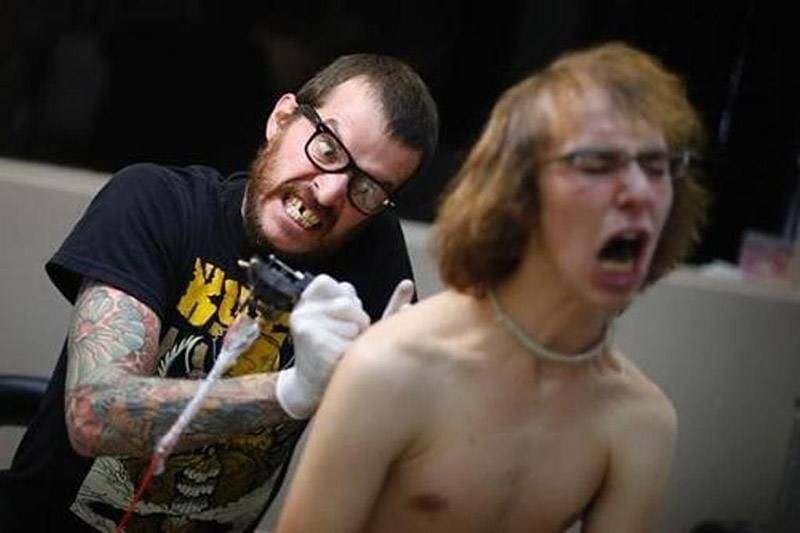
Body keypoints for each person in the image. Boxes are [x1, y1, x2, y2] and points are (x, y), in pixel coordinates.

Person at [276, 42, 709, 533]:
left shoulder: (640, 421)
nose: (639, 193)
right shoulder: (392, 368)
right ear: (519, 192)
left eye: (655, 167)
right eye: (596, 164)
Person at [0, 53, 438, 531]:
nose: (332, 192)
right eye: (328, 149)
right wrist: (291, 390)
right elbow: (94, 416)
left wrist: (392, 394)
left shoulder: (371, 251)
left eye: (368, 188)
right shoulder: (155, 202)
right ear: (282, 119)